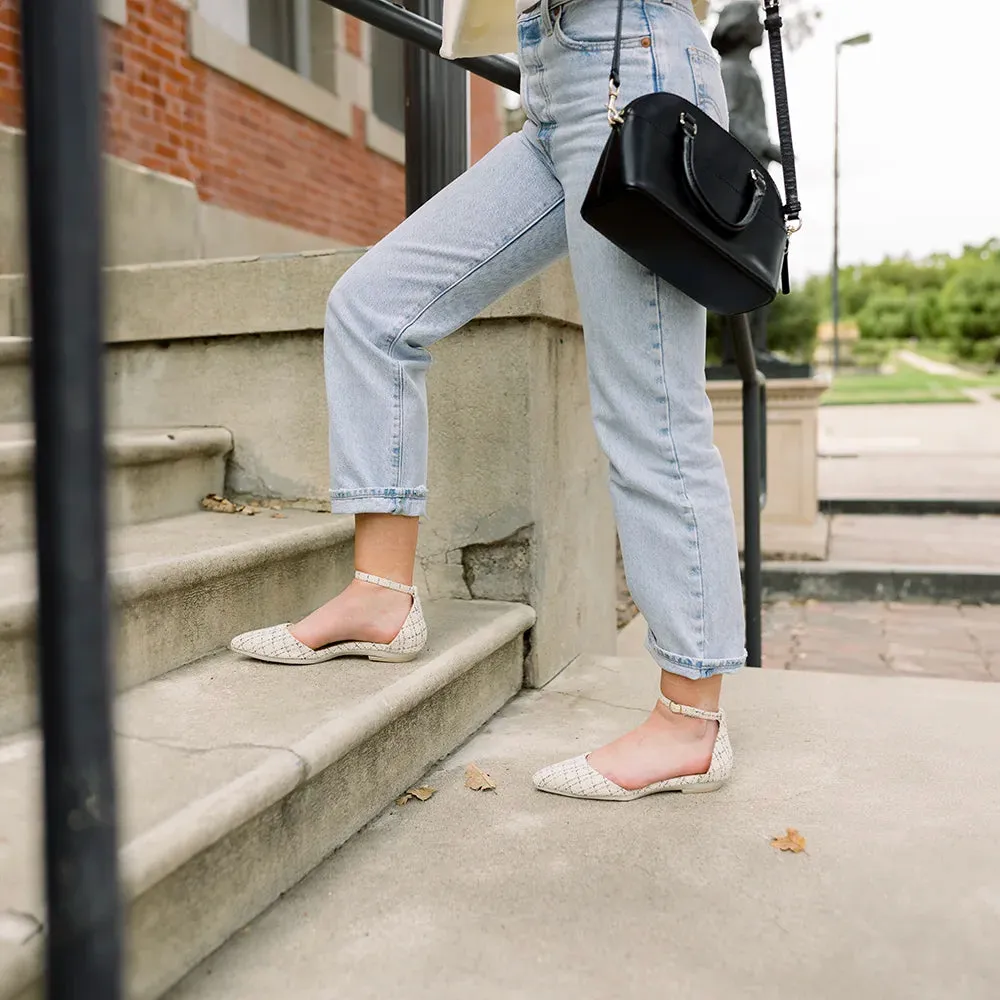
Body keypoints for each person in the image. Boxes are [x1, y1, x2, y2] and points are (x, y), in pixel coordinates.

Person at [231, 0, 745, 802]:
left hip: (632, 59)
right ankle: (382, 596)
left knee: (650, 411)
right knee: (373, 307)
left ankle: (690, 721)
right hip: (551, 80)